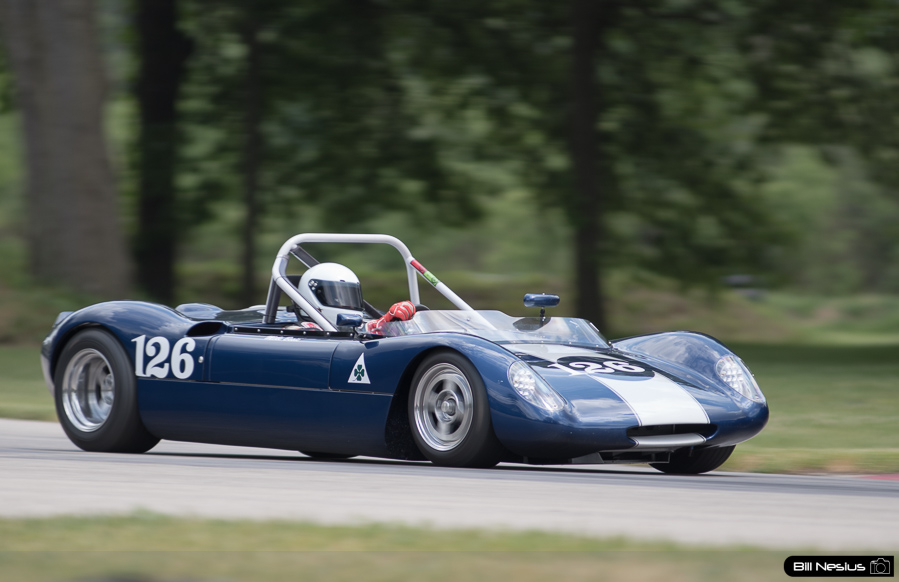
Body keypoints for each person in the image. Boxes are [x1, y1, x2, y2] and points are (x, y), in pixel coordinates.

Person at [294, 262, 415, 333]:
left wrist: (389, 320)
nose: (347, 304)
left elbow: (369, 328)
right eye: (335, 296)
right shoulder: (304, 331)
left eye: (349, 296)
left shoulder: (353, 328)